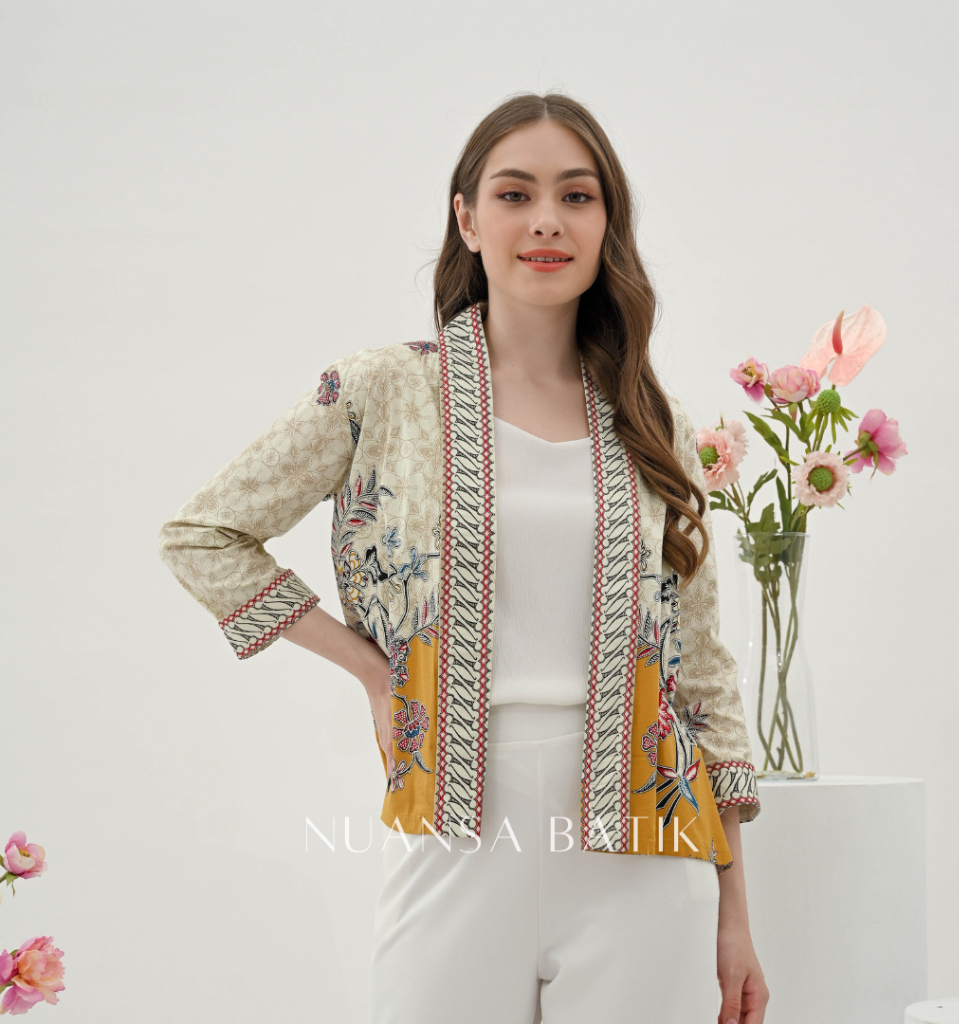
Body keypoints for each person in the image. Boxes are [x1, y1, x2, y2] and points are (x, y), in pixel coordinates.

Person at [157, 91, 768, 1024]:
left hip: (649, 856)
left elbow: (705, 670)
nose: (547, 221)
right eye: (515, 194)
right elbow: (205, 535)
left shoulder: (654, 422)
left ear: (607, 224)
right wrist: (373, 671)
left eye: (577, 196)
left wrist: (735, 913)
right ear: (468, 220)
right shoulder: (382, 390)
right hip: (455, 835)